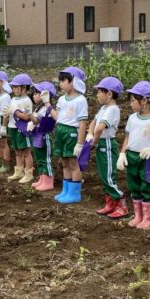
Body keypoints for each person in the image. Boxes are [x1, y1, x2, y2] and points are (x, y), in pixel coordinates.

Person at [117, 81, 150, 229]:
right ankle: (138, 216)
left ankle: (148, 218)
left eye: (132, 100)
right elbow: (128, 137)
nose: (130, 104)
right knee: (134, 185)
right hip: (132, 156)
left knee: (148, 186)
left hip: (148, 158)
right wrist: (122, 153)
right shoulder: (132, 118)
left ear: (144, 100)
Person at [89, 77, 128, 218]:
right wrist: (89, 133)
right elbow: (94, 122)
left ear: (109, 94)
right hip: (101, 143)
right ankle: (110, 204)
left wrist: (93, 141)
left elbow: (100, 129)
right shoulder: (104, 108)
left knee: (109, 177)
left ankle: (121, 204)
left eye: (100, 91)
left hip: (107, 144)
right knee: (104, 176)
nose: (97, 94)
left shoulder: (113, 110)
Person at [51, 67, 88, 204]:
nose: (60, 84)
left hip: (72, 132)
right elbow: (58, 117)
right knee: (64, 162)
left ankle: (74, 193)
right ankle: (66, 191)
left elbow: (82, 123)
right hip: (61, 130)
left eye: (63, 80)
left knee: (73, 163)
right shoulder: (61, 99)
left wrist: (79, 143)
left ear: (74, 82)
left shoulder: (81, 100)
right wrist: (48, 105)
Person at [28, 81, 56, 191]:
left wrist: (29, 114)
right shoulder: (38, 107)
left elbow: (36, 121)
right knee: (39, 158)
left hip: (45, 136)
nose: (33, 96)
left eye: (36, 93)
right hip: (38, 135)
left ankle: (49, 181)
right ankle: (42, 179)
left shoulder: (46, 108)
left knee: (46, 159)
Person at [7, 73, 35, 183]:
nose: (13, 89)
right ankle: (19, 172)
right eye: (13, 87)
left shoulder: (26, 101)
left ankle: (29, 173)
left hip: (22, 129)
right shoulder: (13, 99)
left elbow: (27, 117)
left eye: (15, 87)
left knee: (26, 151)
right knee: (17, 150)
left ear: (23, 88)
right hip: (13, 127)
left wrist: (15, 112)